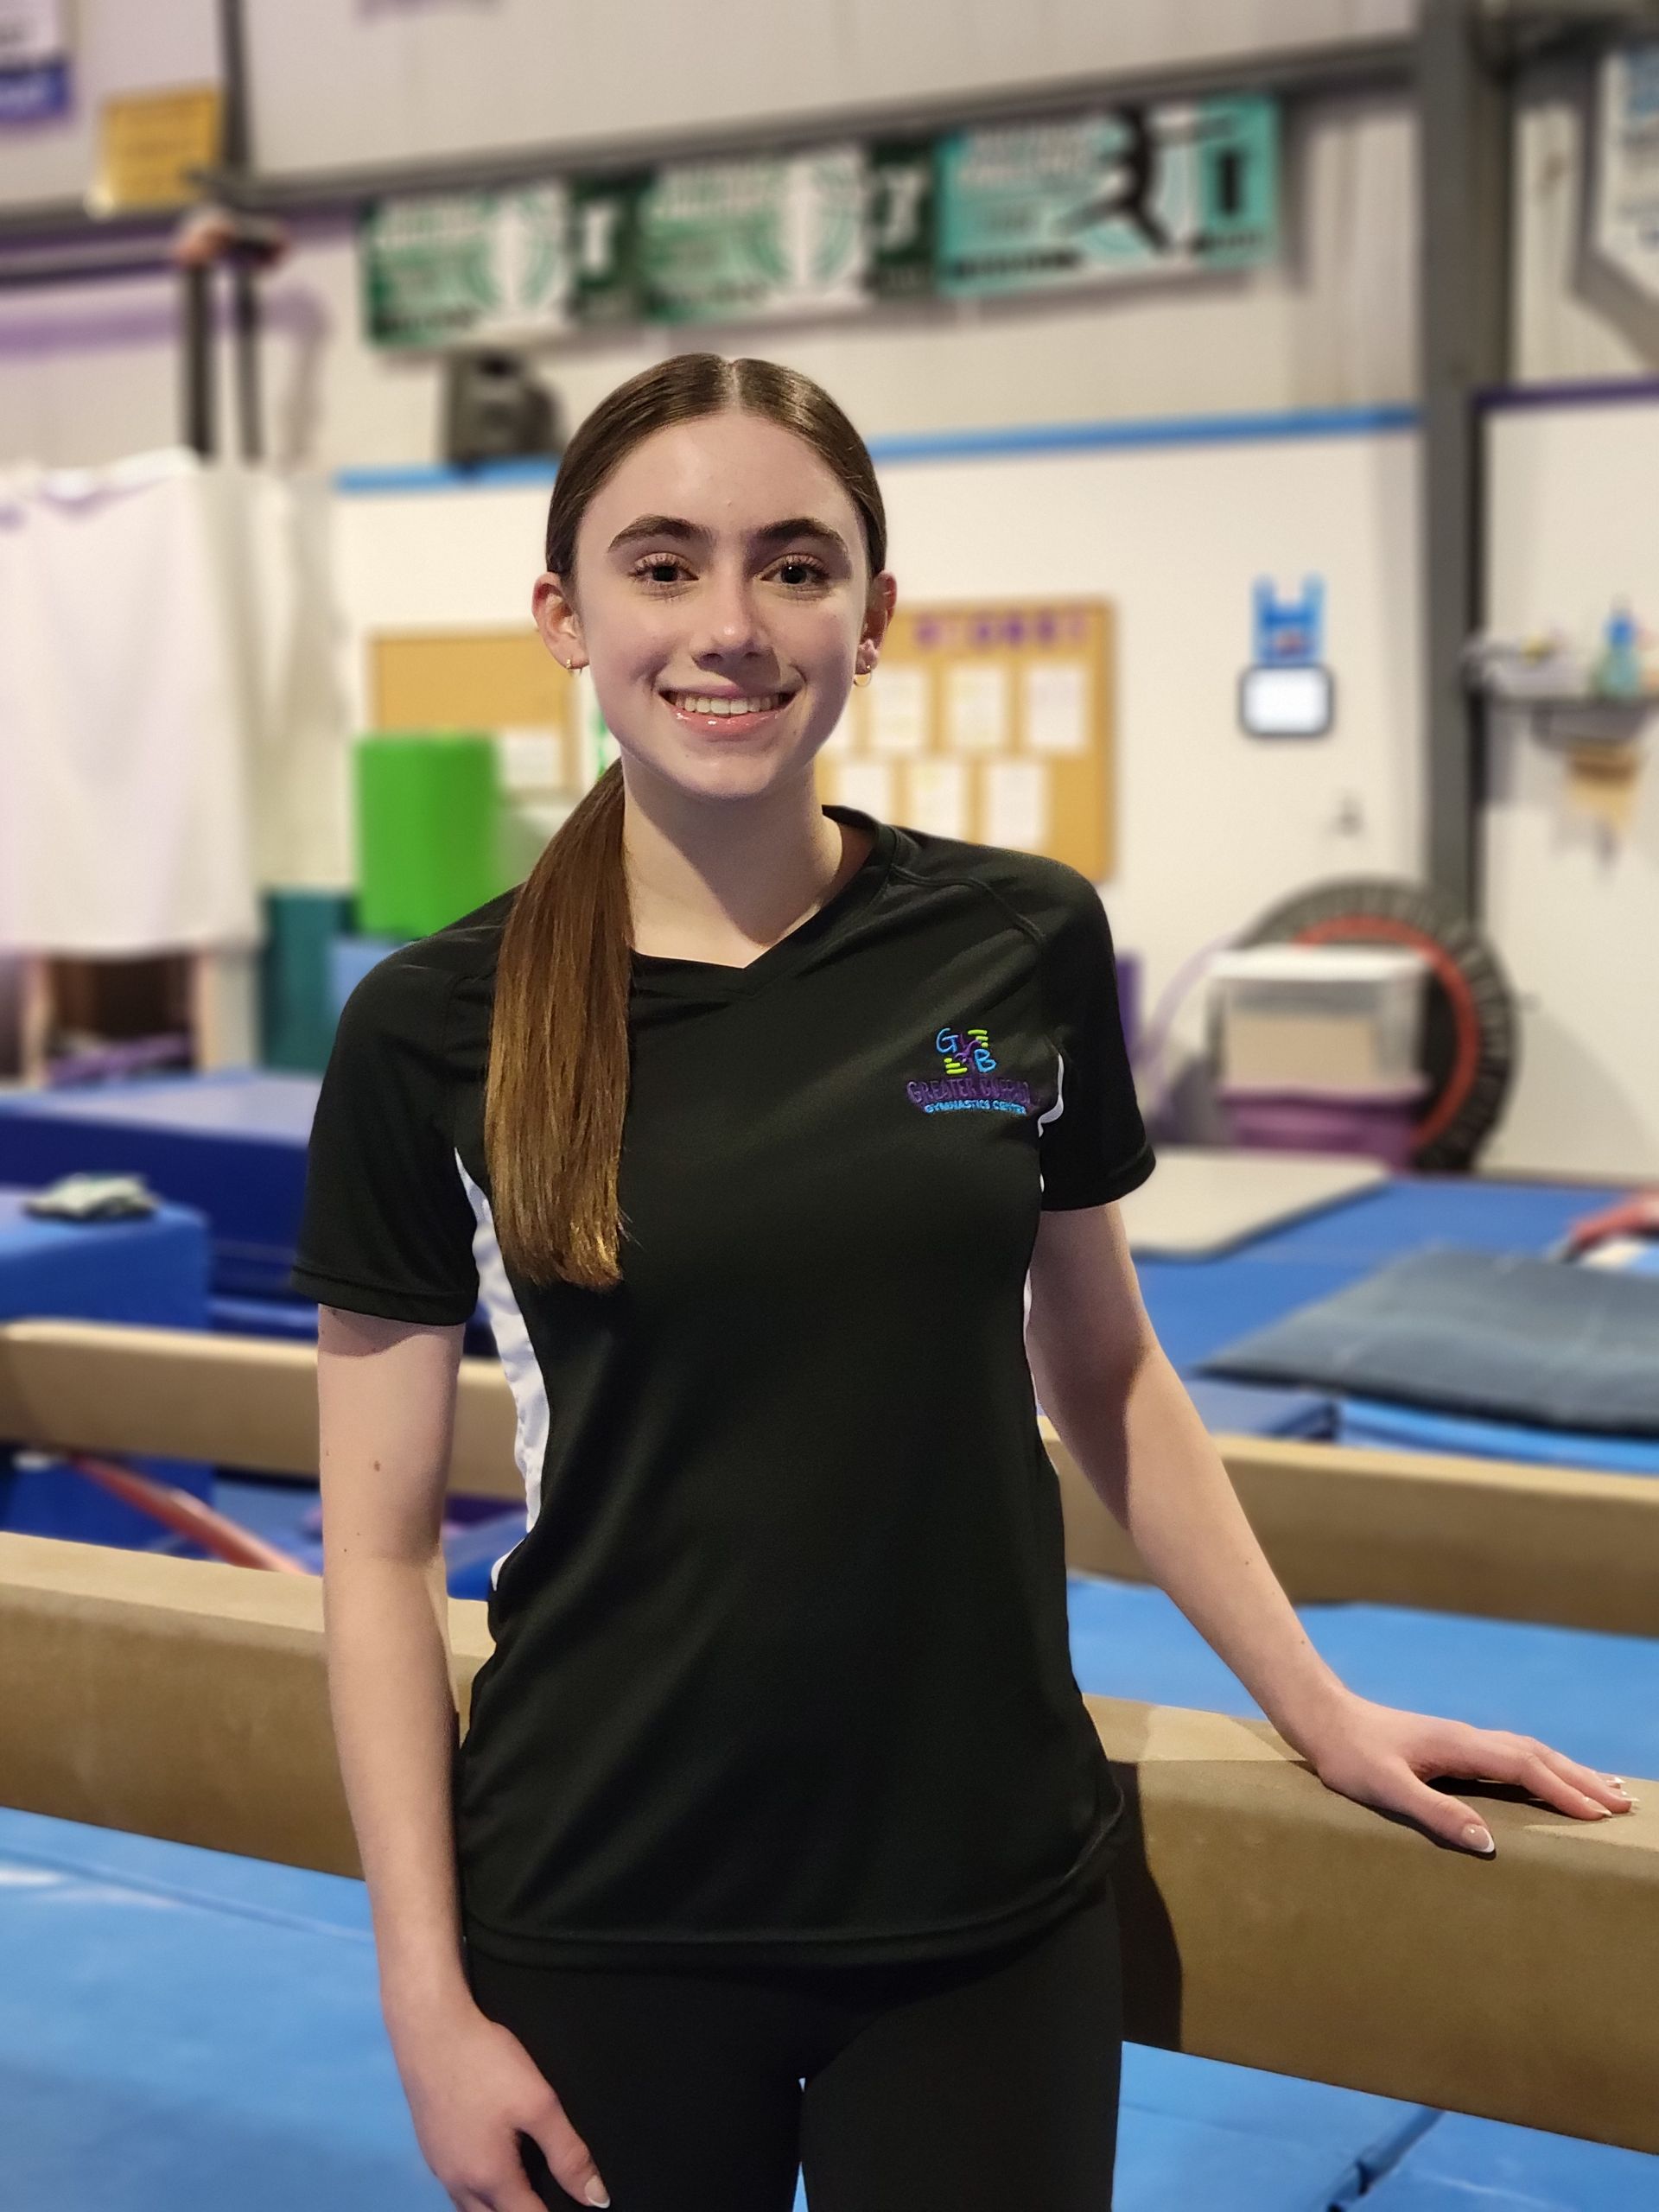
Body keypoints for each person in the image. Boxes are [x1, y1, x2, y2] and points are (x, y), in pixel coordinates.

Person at [293, 353, 1632, 2212]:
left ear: (875, 614)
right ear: (565, 616)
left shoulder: (1013, 944)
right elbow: (369, 1557)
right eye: (664, 565)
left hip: (980, 1900)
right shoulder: (434, 1024)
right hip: (606, 1893)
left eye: (798, 564)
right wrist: (425, 1999)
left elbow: (1113, 1370)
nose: (734, 626)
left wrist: (1319, 1701)